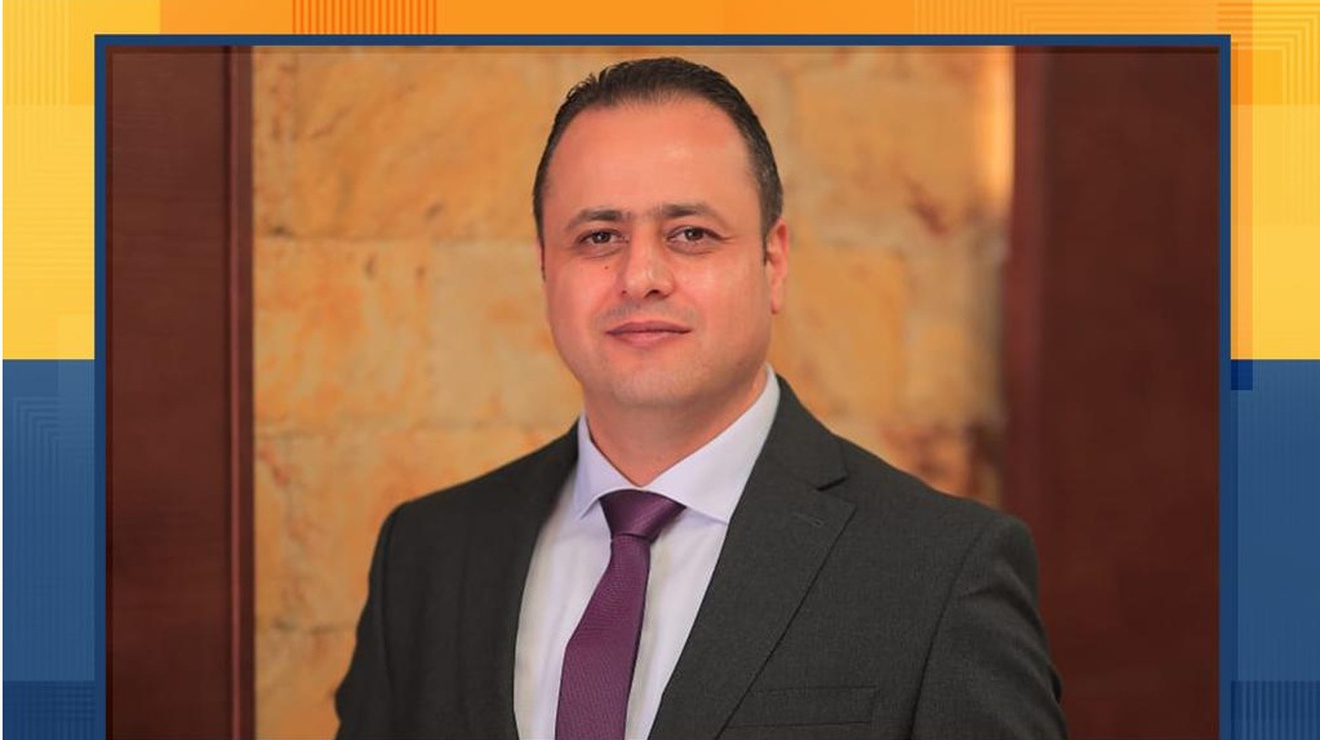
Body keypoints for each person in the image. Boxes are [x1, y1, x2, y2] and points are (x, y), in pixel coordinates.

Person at [335, 56, 1067, 740]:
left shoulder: (939, 570)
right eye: (599, 237)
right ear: (545, 269)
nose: (640, 277)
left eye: (690, 234)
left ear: (773, 260)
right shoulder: (426, 555)